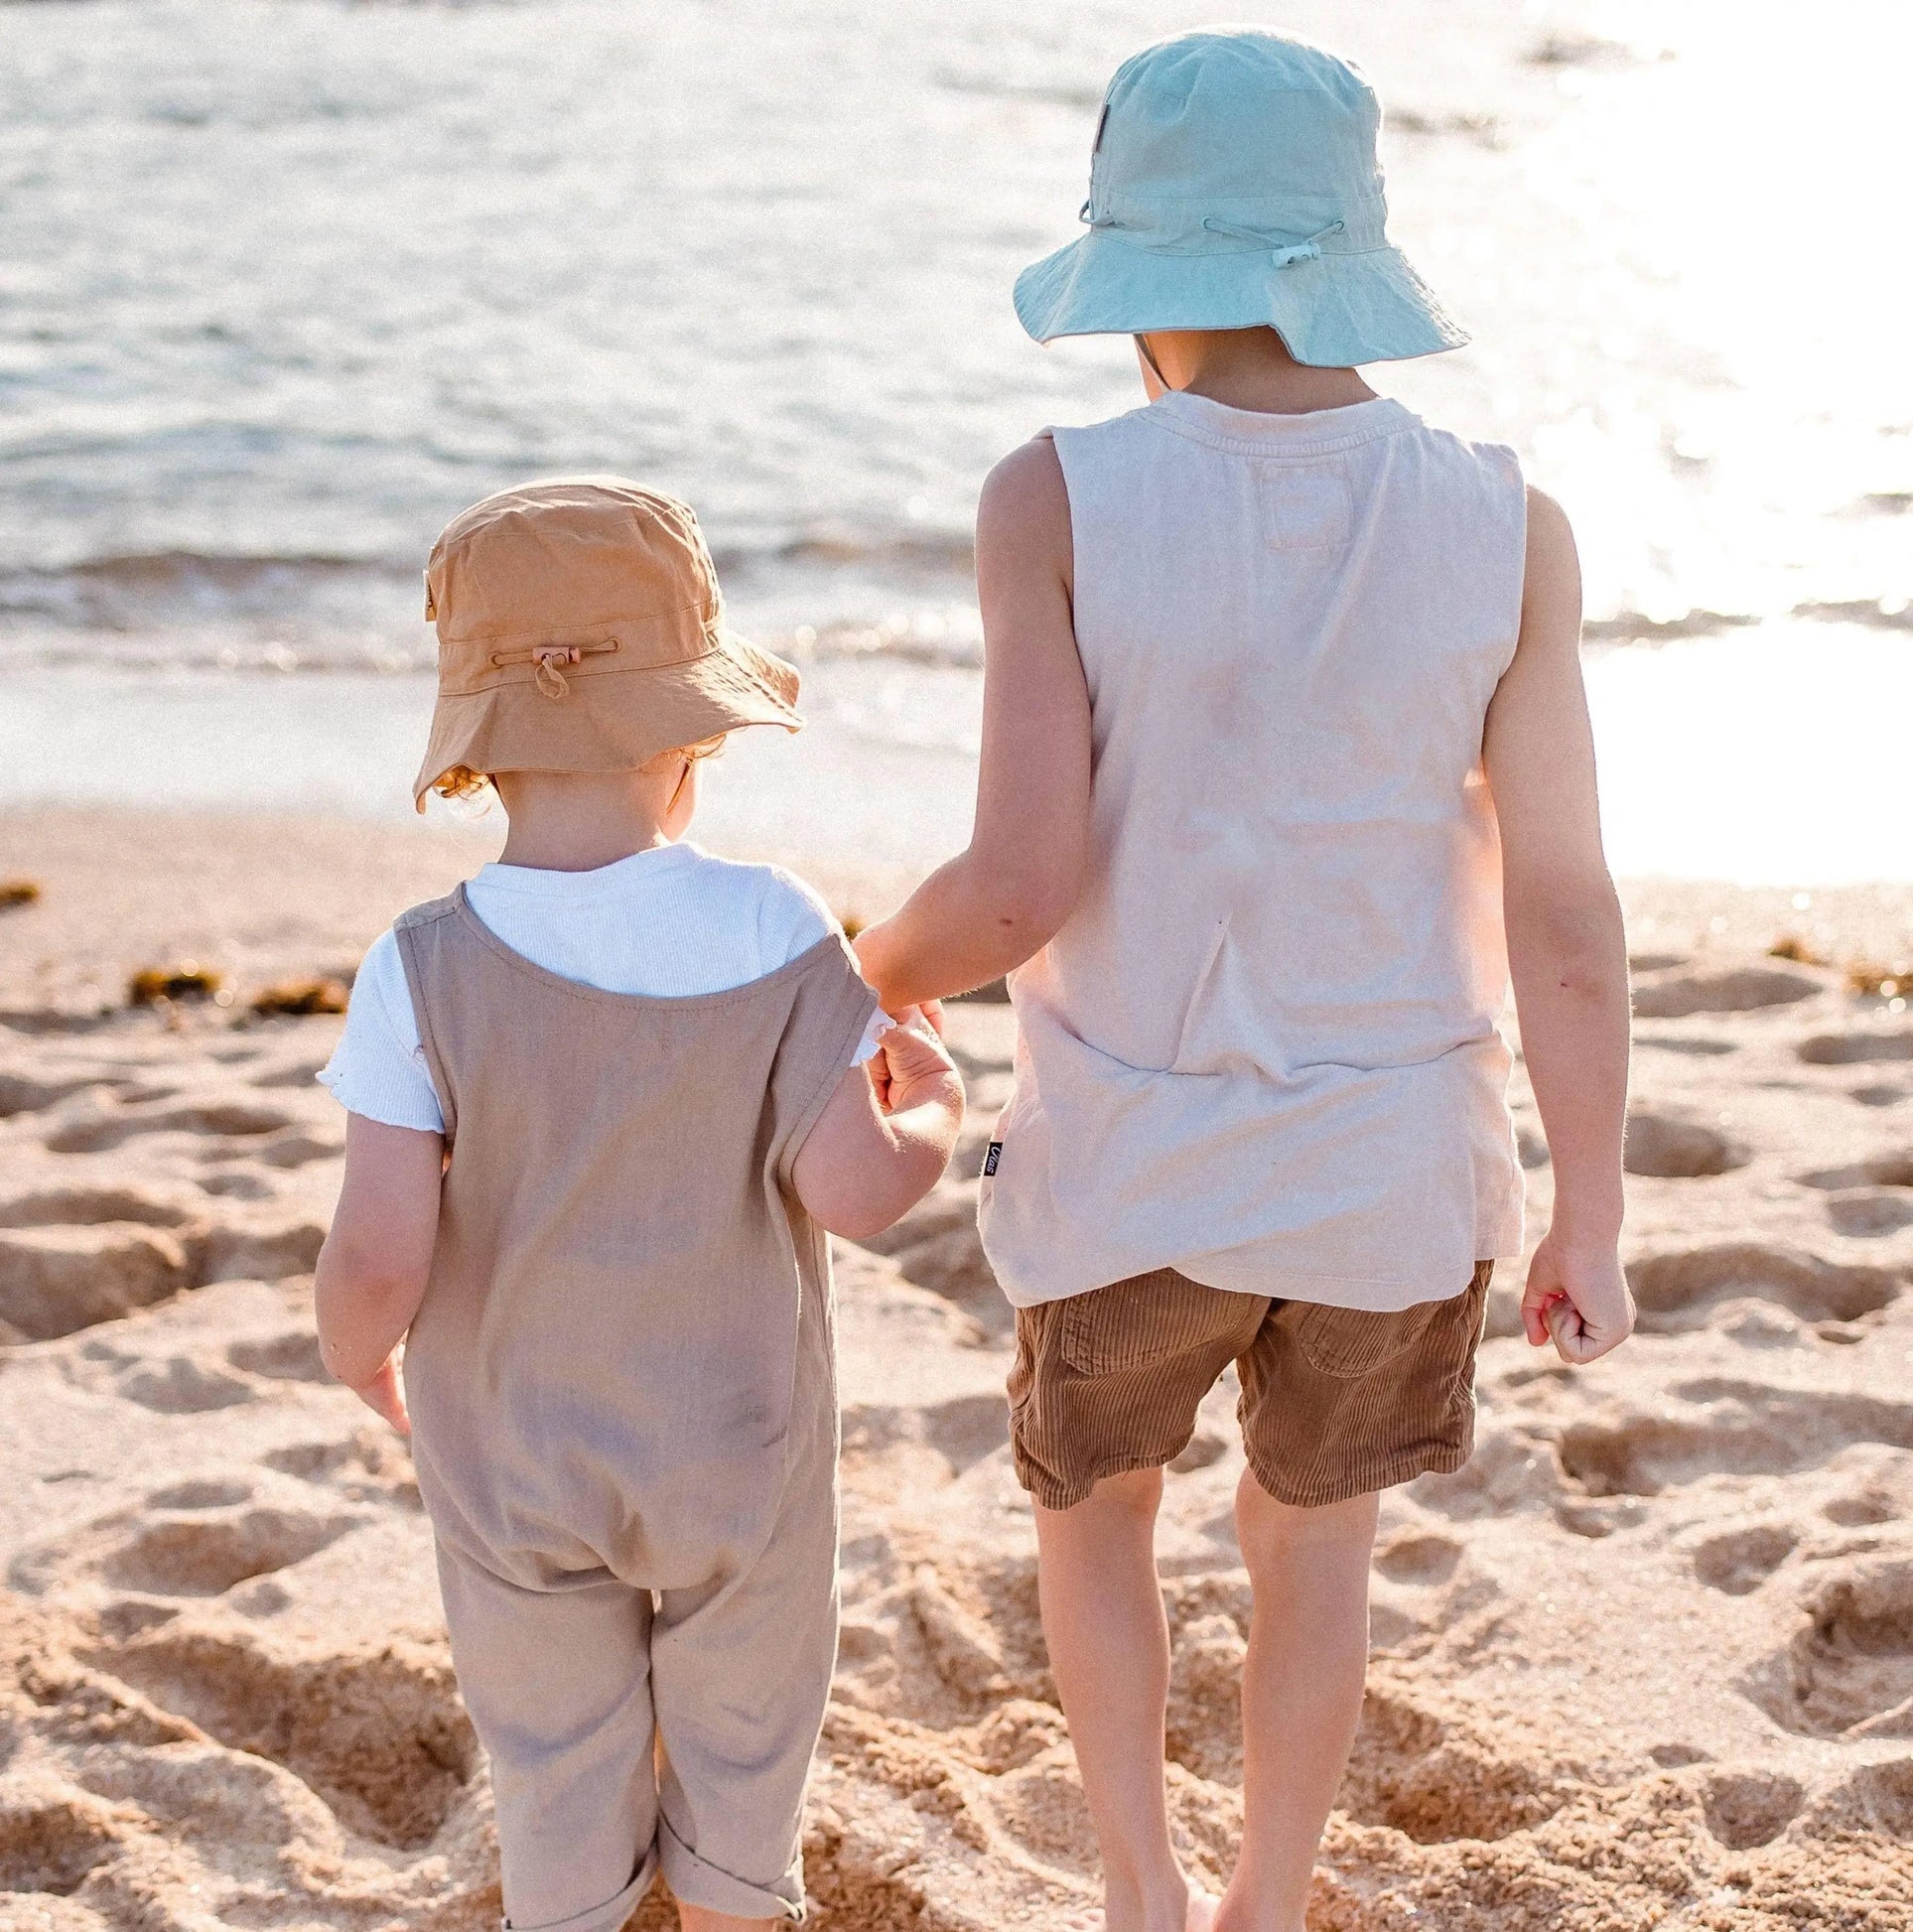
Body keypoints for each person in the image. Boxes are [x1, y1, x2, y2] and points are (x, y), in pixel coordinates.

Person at [853, 30, 1634, 1932]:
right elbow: (1565, 915)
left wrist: (867, 972)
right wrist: (1592, 1214)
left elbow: (1016, 887)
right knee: (1312, 1536)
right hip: (1392, 1178)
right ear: (1349, 258)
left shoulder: (1054, 498)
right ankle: (1264, 1900)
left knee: (1095, 1509)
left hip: (1129, 1160)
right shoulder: (1507, 524)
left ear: (1138, 271)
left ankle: (1138, 1884)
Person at [312, 477, 963, 1932]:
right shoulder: (772, 924)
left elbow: (378, 1248)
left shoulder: (418, 965)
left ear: (481, 746)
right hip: (737, 1447)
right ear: (687, 740)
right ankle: (727, 1901)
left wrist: (352, 1351)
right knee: (745, 1742)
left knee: (552, 1755)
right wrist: (933, 1106)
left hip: (511, 1456)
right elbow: (857, 1192)